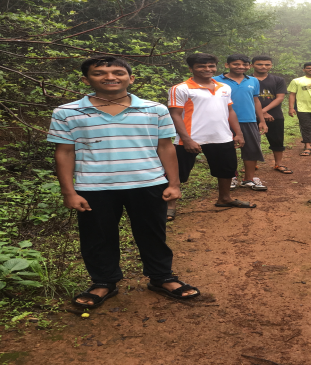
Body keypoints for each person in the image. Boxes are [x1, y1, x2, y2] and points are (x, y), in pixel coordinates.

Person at [48, 56, 199, 308]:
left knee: (152, 234)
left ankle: (162, 277)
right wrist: (69, 192)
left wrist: (174, 183)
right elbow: (64, 152)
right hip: (94, 187)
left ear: (131, 78)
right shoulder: (67, 112)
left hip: (148, 183)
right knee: (97, 237)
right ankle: (103, 282)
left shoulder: (155, 110)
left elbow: (165, 147)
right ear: (85, 79)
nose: (110, 77)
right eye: (99, 73)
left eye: (118, 72)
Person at [168, 53, 255, 216]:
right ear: (191, 68)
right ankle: (169, 206)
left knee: (227, 170)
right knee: (177, 172)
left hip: (222, 137)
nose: (207, 69)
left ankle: (224, 198)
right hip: (191, 138)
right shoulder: (180, 89)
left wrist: (238, 133)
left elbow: (230, 110)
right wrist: (186, 139)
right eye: (201, 66)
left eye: (211, 66)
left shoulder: (224, 87)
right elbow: (175, 115)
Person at [215, 54, 269, 191]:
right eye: (236, 64)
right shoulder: (215, 81)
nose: (241, 67)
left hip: (249, 120)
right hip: (224, 121)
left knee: (252, 149)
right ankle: (231, 177)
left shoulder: (253, 80)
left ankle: (248, 179)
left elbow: (256, 100)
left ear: (249, 66)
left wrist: (261, 120)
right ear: (227, 65)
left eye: (244, 64)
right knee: (227, 150)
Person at [251, 55, 293, 174]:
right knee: (252, 140)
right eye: (259, 64)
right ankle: (252, 164)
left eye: (267, 64)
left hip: (274, 115)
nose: (263, 66)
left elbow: (279, 98)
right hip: (251, 115)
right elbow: (244, 98)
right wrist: (260, 113)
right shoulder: (246, 79)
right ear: (252, 65)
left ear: (271, 65)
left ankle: (278, 164)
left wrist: (263, 111)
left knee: (277, 140)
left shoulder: (278, 80)